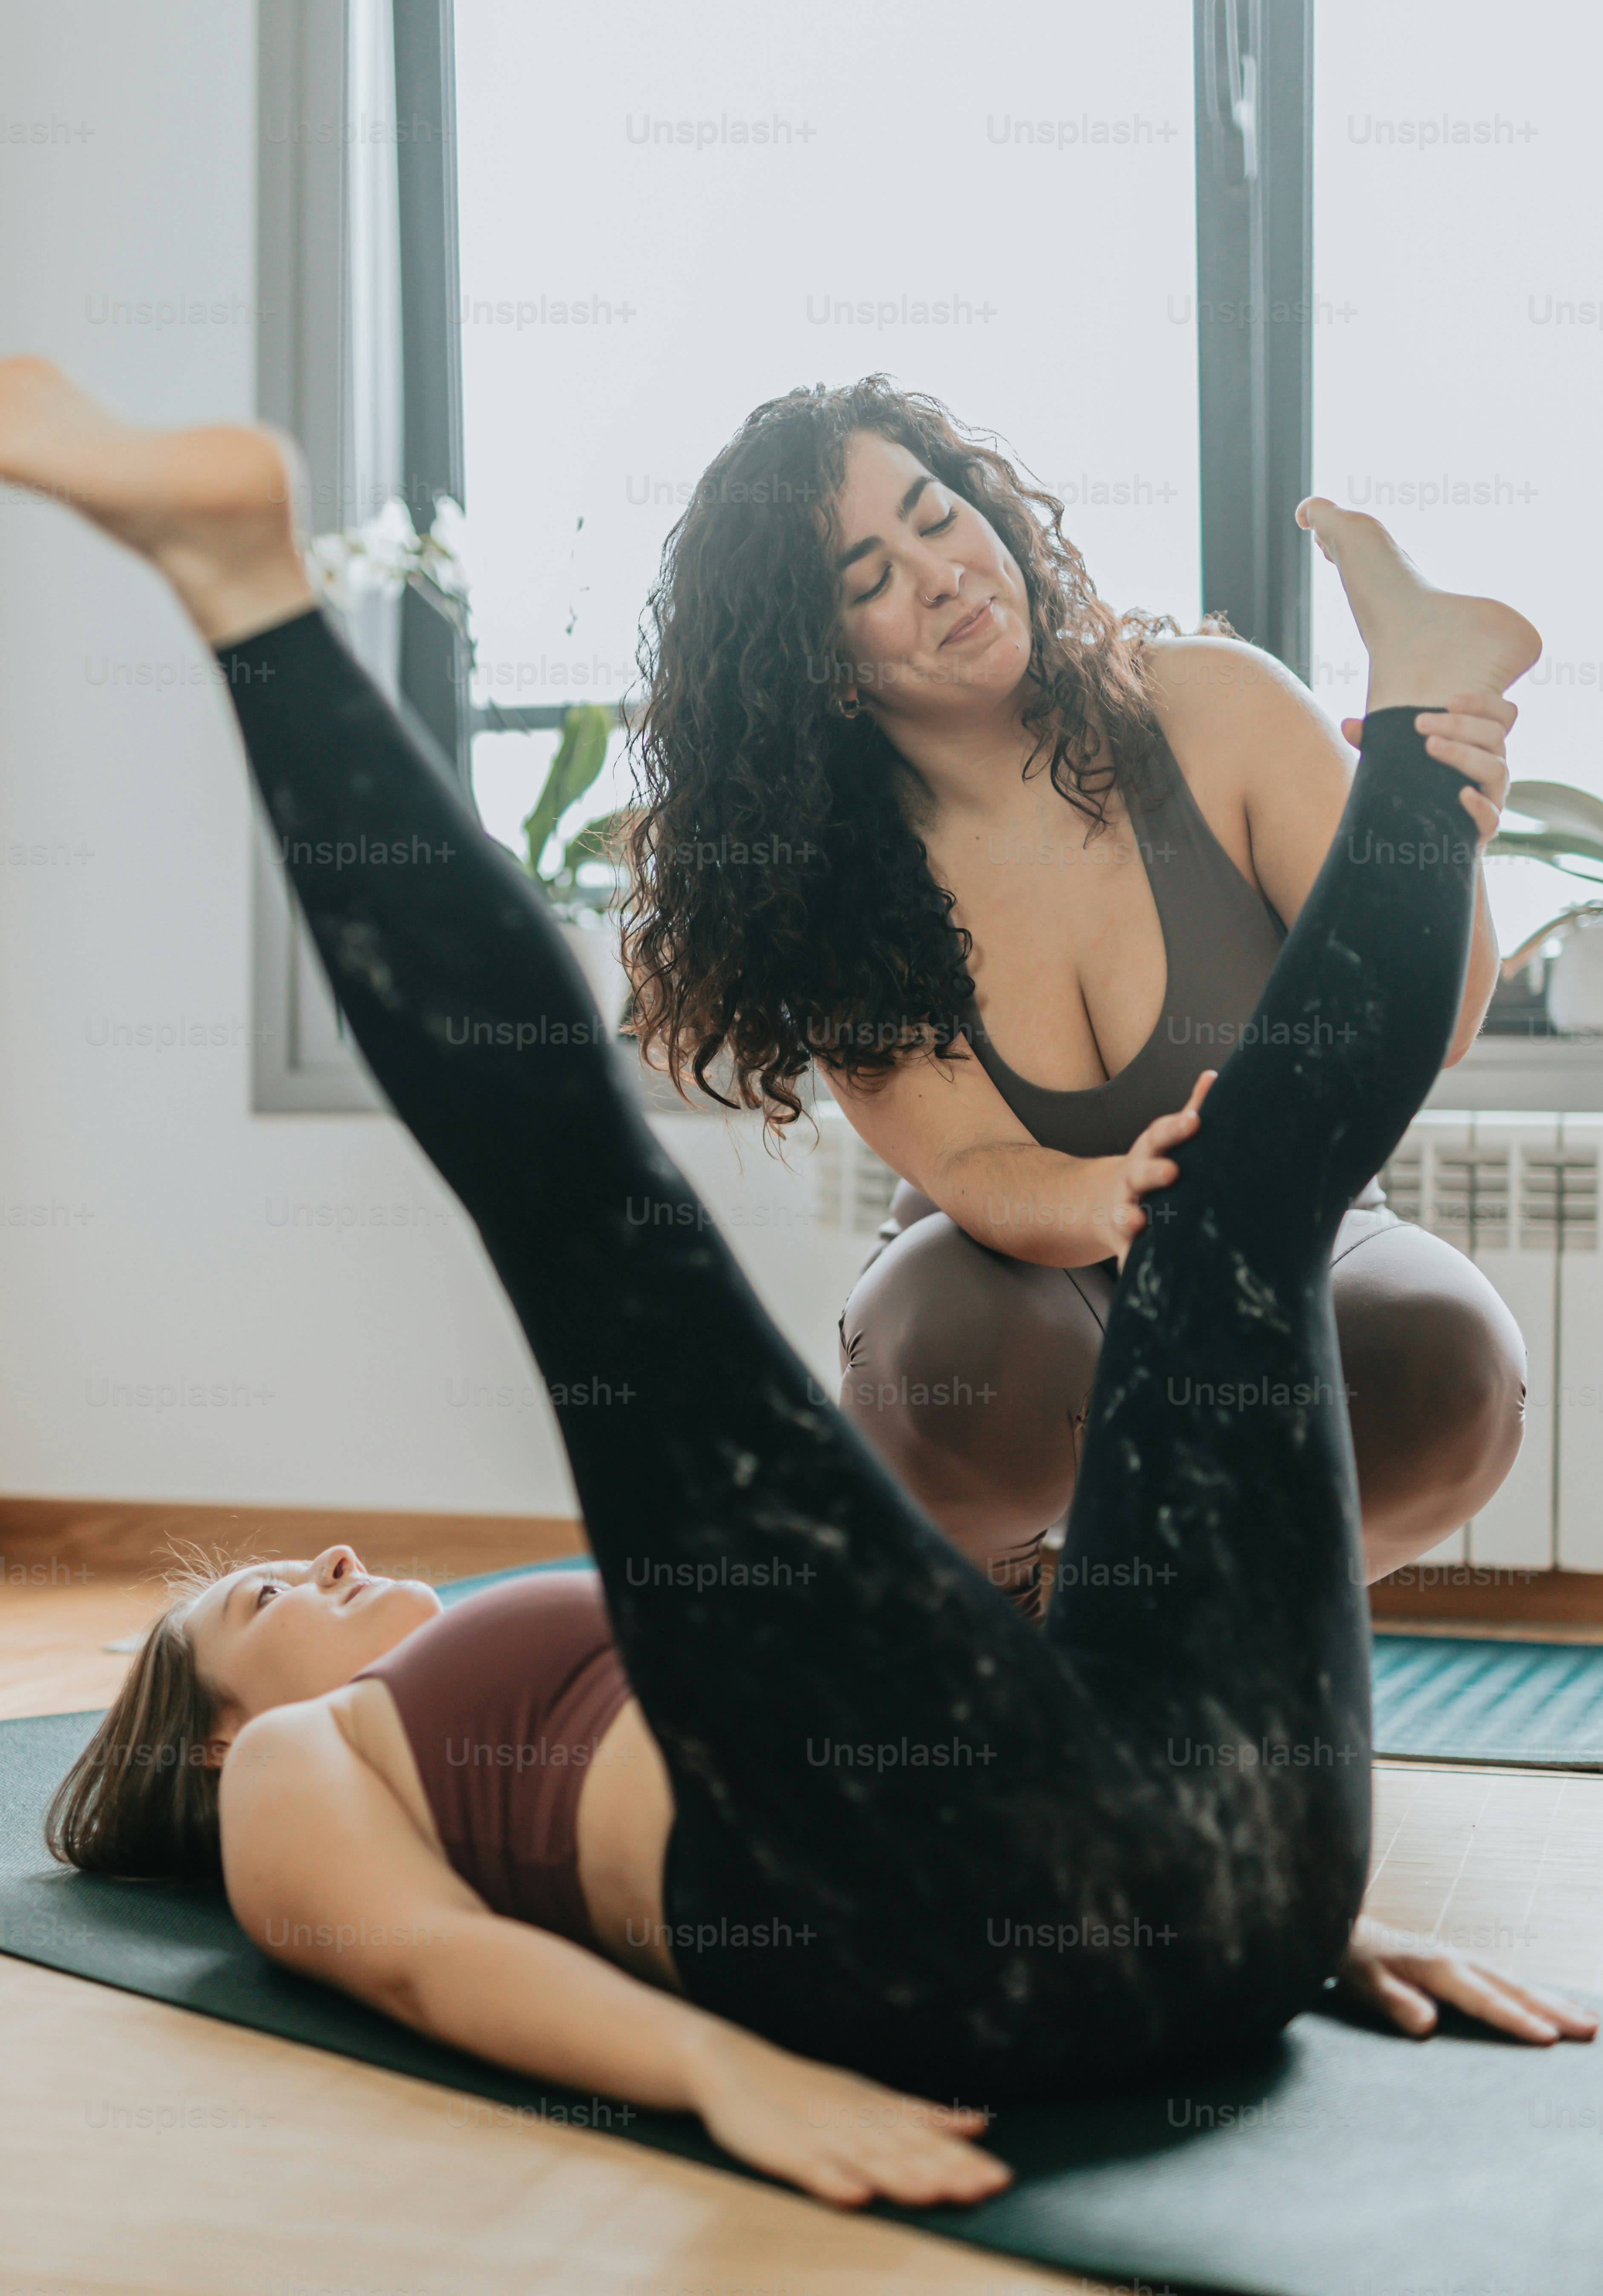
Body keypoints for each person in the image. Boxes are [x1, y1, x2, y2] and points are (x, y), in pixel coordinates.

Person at [5, 360, 1590, 2218]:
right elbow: (420, 1964)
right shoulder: (288, 1762)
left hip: (1209, 1907)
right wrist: (716, 2075)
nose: (327, 1565)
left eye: (933, 515)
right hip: (919, 1946)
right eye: (263, 1596)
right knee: (597, 1233)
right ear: (195, 1727)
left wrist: (1299, 1900)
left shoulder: (514, 1650)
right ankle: (244, 595)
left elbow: (968, 1734)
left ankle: (1418, 717)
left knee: (1238, 1187)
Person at [623, 382, 1527, 1613]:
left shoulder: (1215, 704)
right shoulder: (829, 886)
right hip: (1019, 1271)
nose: (940, 574)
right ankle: (1001, 1618)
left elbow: (1435, 1015)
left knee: (1449, 1368)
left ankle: (1216, 1615)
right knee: (948, 1359)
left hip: (1297, 1230)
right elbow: (975, 1167)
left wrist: (1431, 824)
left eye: (937, 516)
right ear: (821, 668)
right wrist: (1119, 1198)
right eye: (866, 579)